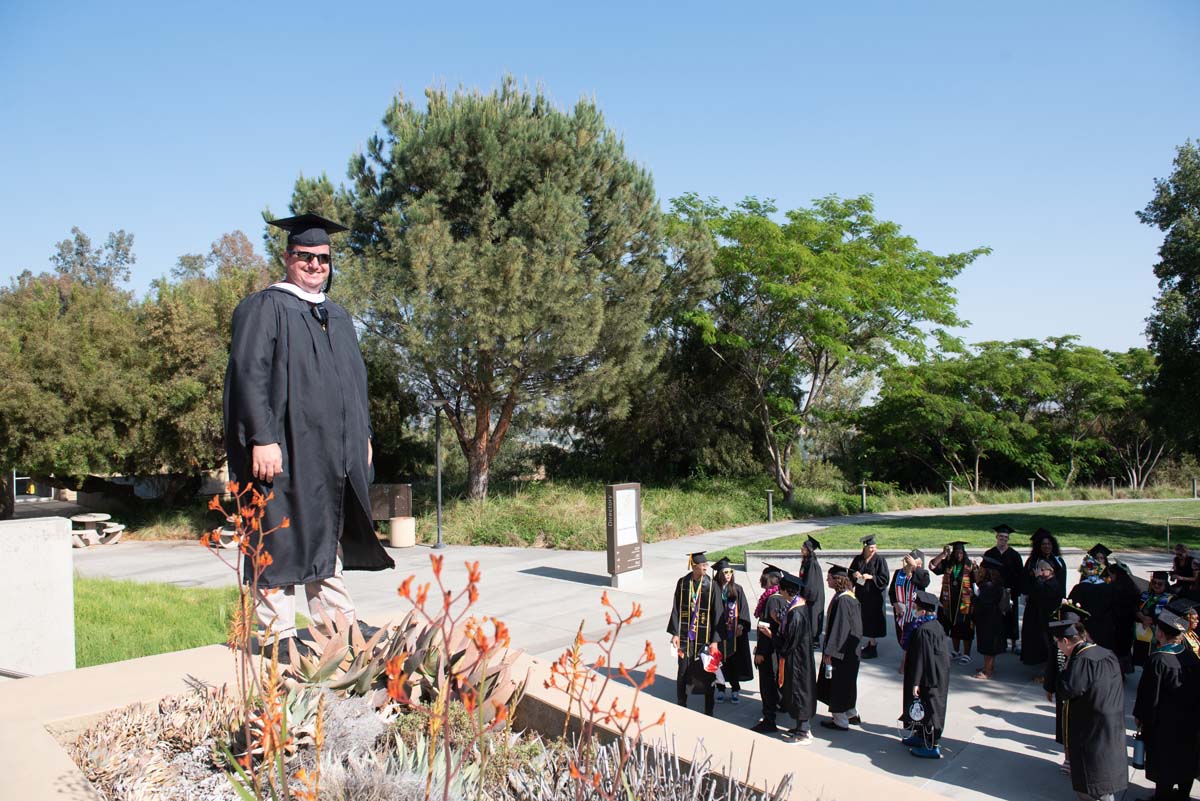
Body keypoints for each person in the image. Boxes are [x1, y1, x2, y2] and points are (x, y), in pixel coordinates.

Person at [224, 212, 394, 661]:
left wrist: (365, 436)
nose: (316, 265)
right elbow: (249, 375)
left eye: (323, 258)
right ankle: (275, 636)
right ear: (287, 257)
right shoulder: (265, 308)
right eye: (305, 256)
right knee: (276, 538)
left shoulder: (336, 316)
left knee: (326, 536)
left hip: (330, 455)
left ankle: (336, 628)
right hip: (283, 452)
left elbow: (354, 384)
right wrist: (261, 437)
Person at [1052, 615, 1128, 801]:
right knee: (1105, 772)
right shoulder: (1105, 653)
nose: (1058, 648)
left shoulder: (1081, 660)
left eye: (1058, 644)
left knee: (1094, 782)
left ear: (1066, 641)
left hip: (1091, 728)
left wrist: (1064, 669)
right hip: (1111, 721)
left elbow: (1068, 689)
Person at [1133, 609, 1199, 801]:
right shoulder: (1190, 657)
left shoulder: (1158, 659)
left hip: (1165, 722)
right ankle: (1183, 795)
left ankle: (1162, 796)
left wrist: (1142, 717)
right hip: (1190, 720)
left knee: (1164, 760)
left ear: (1161, 633)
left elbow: (1148, 696)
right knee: (1187, 757)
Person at [668, 551, 722, 716]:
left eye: (706, 565)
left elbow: (718, 613)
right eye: (703, 565)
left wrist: (715, 641)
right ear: (694, 566)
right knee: (682, 670)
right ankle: (681, 701)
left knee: (707, 672)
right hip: (685, 637)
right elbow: (676, 608)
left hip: (704, 638)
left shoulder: (712, 585)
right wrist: (675, 633)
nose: (706, 567)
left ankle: (708, 708)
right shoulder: (683, 583)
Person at [901, 590, 951, 759]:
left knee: (930, 708)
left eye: (916, 607)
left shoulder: (924, 630)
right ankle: (920, 735)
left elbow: (922, 657)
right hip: (935, 672)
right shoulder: (936, 625)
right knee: (920, 705)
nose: (914, 609)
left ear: (923, 611)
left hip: (929, 677)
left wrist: (916, 681)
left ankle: (931, 745)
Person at [1045, 601, 1091, 775]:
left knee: (1079, 727)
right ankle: (1068, 757)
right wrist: (1049, 687)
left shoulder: (1087, 645)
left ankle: (1078, 758)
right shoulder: (1058, 643)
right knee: (1064, 726)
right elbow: (1051, 666)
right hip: (1062, 691)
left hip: (1080, 692)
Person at [818, 565, 862, 731]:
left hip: (841, 653)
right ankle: (851, 713)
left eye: (829, 578)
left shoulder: (843, 600)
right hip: (850, 652)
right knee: (848, 683)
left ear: (837, 580)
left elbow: (840, 629)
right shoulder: (850, 597)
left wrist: (830, 652)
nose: (827, 580)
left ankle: (840, 720)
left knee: (838, 684)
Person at [776, 572, 817, 743]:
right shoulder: (798, 606)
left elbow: (791, 640)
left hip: (798, 660)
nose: (780, 592)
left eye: (781, 590)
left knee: (799, 692)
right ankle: (800, 727)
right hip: (800, 657)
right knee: (798, 691)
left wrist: (774, 637)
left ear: (787, 590)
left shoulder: (797, 612)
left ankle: (804, 732)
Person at [751, 564, 788, 733]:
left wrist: (760, 652)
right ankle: (780, 706)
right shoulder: (780, 597)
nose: (761, 579)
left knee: (768, 684)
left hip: (769, 651)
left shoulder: (771, 599)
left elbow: (766, 628)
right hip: (777, 649)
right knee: (776, 681)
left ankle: (769, 719)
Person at [712, 557, 753, 704]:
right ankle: (721, 689)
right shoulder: (713, 589)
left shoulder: (737, 589)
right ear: (719, 574)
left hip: (734, 635)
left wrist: (741, 625)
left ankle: (735, 689)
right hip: (718, 633)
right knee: (718, 662)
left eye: (730, 571)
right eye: (725, 572)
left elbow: (744, 611)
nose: (728, 575)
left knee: (734, 661)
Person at [930, 541, 975, 664]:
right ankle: (956, 651)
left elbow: (977, 582)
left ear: (964, 553)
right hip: (948, 601)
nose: (958, 555)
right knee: (952, 625)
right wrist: (942, 555)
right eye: (956, 552)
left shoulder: (970, 566)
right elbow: (932, 566)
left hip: (965, 602)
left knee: (965, 626)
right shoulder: (948, 564)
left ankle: (967, 654)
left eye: (960, 552)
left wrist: (974, 592)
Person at [983, 523, 1024, 653]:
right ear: (996, 537)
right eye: (1001, 536)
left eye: (1005, 537)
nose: (1003, 539)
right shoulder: (990, 553)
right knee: (997, 618)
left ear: (1008, 539)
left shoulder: (1014, 555)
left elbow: (1020, 574)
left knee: (1012, 617)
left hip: (1010, 591)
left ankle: (1013, 643)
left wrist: (1016, 590)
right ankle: (1000, 643)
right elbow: (984, 572)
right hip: (994, 591)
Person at [1069, 554, 1118, 653]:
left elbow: (1071, 609)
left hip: (1086, 628)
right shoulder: (1109, 588)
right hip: (1105, 628)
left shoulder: (1079, 588)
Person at [850, 534, 889, 659]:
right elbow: (850, 573)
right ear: (865, 547)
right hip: (861, 595)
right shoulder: (858, 559)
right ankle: (859, 643)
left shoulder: (880, 560)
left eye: (874, 547)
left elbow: (885, 579)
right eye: (870, 547)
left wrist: (871, 577)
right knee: (861, 619)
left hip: (874, 596)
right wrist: (855, 574)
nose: (873, 549)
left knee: (872, 621)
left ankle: (873, 646)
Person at [971, 556, 1010, 679]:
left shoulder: (989, 586)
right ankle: (988, 667)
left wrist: (973, 597)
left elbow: (983, 603)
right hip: (992, 618)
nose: (980, 571)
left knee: (989, 646)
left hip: (989, 620)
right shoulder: (993, 584)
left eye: (982, 569)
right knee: (988, 645)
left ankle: (987, 672)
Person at [1021, 557, 1064, 667]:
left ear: (1051, 570)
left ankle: (1048, 672)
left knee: (1049, 645)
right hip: (1042, 618)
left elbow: (1042, 595)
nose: (1040, 572)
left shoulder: (1053, 583)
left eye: (1043, 569)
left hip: (1049, 619)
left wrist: (1038, 579)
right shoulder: (1046, 581)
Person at [1104, 560, 1139, 674]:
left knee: (1117, 648)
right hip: (1128, 622)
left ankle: (1116, 672)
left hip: (1117, 622)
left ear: (1115, 574)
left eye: (1111, 575)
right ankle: (1124, 670)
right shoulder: (1131, 585)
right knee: (1125, 647)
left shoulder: (1114, 587)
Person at [889, 549, 931, 644]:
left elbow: (924, 583)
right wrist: (896, 605)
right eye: (915, 564)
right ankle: (906, 654)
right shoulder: (899, 573)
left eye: (919, 564)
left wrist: (915, 568)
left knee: (915, 636)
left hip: (916, 612)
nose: (919, 566)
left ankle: (912, 656)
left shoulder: (922, 574)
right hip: (901, 611)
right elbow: (892, 591)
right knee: (902, 636)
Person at [1134, 571, 1173, 667]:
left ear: (1165, 584)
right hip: (1141, 632)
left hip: (1157, 634)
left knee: (1154, 660)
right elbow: (1135, 608)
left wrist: (1152, 620)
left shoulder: (1170, 598)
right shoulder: (1145, 594)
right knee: (1140, 660)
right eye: (1154, 582)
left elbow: (1168, 616)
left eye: (1160, 584)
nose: (1156, 585)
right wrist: (1142, 617)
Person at [798, 535, 825, 648]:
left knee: (813, 617)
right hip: (809, 595)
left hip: (813, 597)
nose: (801, 549)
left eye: (803, 547)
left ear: (809, 550)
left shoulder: (812, 564)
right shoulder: (807, 561)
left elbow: (811, 583)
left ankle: (814, 640)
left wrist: (805, 596)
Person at [1027, 528, 1068, 598]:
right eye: (1044, 544)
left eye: (1049, 544)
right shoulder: (1032, 561)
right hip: (1036, 598)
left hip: (1053, 597)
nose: (1047, 546)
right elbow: (1027, 579)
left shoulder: (1058, 561)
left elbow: (1062, 582)